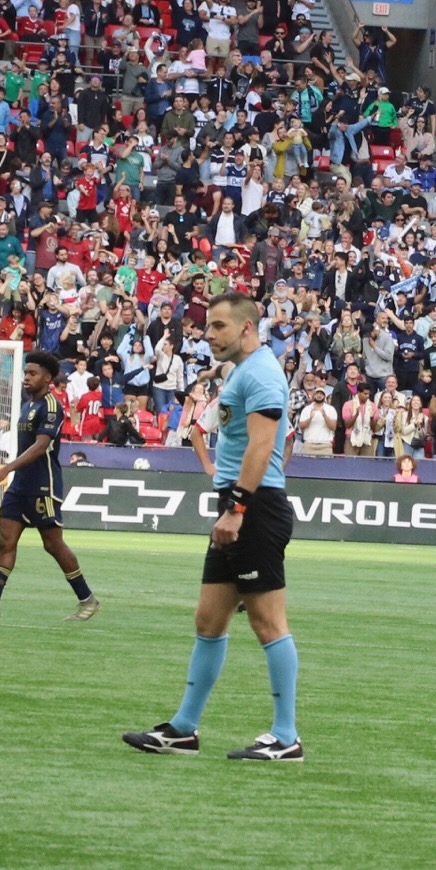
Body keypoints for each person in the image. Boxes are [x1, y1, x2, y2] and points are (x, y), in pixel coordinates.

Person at [122, 293, 303, 761]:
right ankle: (184, 729)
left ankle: (286, 738)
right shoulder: (241, 372)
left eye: (219, 326)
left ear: (246, 328)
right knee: (209, 619)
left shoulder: (262, 372)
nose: (209, 335)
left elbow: (262, 448)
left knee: (267, 622)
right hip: (239, 505)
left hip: (255, 508)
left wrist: (237, 509)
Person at [0, 351, 100, 622]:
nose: (26, 378)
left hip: (42, 485)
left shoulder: (52, 406)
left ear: (47, 378)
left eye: (32, 374)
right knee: (5, 541)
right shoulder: (28, 405)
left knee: (53, 545)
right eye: (26, 373)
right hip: (20, 485)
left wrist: (5, 469)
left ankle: (88, 599)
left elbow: (41, 446)